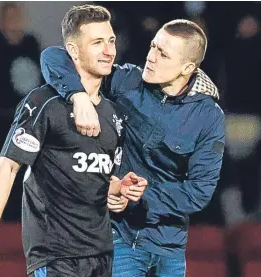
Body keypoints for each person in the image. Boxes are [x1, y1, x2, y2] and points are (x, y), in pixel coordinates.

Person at [40, 15, 225, 277]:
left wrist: (139, 196)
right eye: (153, 47)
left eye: (163, 54)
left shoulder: (209, 116)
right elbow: (52, 57)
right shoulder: (127, 81)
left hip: (169, 248)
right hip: (120, 238)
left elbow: (199, 192)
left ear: (186, 68)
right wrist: (77, 96)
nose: (151, 57)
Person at [0, 5, 148, 277]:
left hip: (101, 257)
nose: (108, 50)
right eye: (97, 42)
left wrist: (120, 188)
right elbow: (7, 168)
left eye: (111, 40)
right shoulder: (44, 102)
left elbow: (97, 177)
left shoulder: (114, 114)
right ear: (74, 51)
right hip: (55, 256)